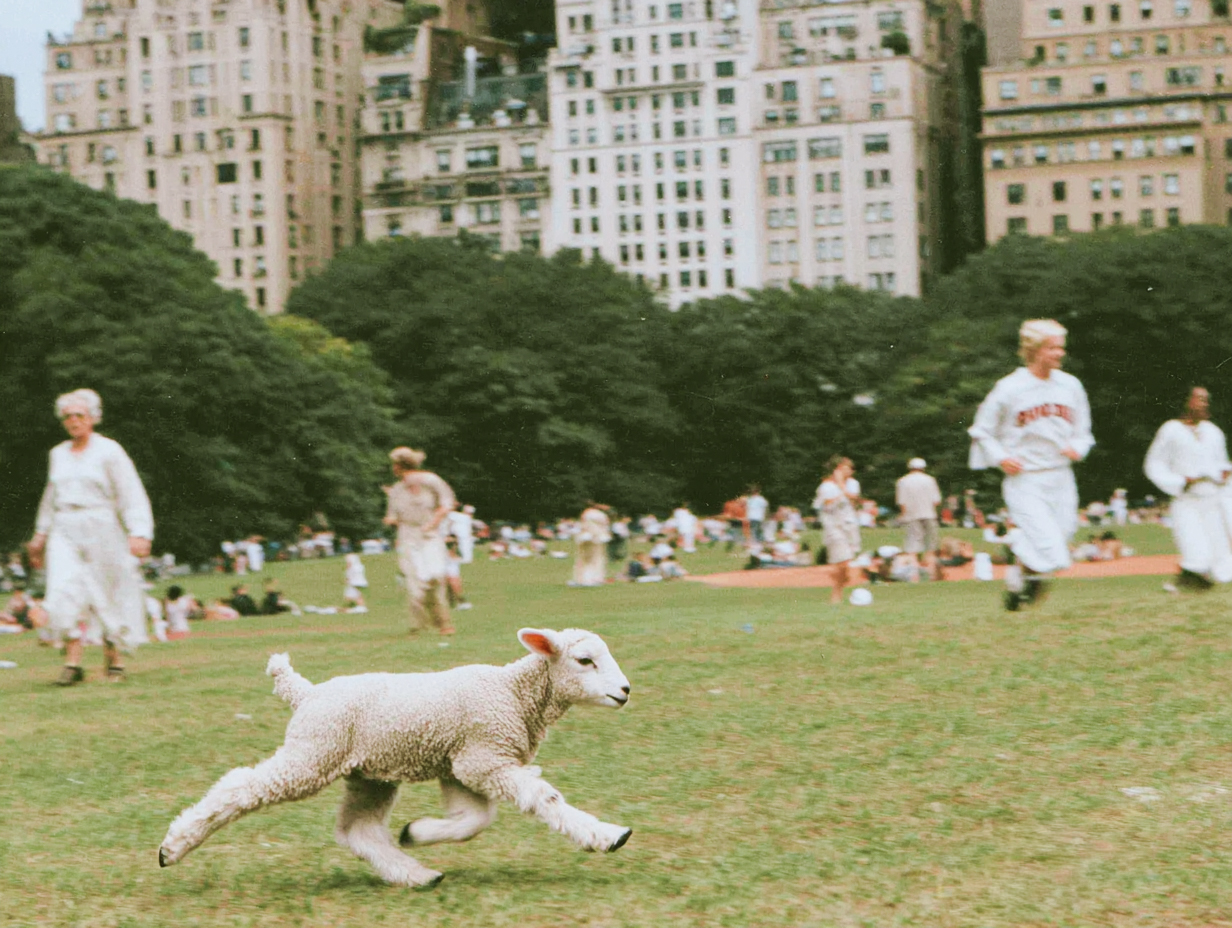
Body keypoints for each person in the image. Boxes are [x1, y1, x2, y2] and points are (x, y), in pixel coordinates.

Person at [28, 389, 154, 685]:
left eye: (79, 415)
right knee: (63, 587)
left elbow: (130, 492)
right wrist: (40, 535)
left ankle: (115, 661)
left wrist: (139, 532)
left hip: (102, 524)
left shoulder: (109, 451)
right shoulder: (57, 454)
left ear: (93, 418)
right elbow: (50, 497)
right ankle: (72, 663)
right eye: (68, 416)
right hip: (64, 526)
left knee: (107, 589)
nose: (73, 421)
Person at [968, 319, 1094, 611]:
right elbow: (981, 431)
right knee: (1053, 553)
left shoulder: (1070, 385)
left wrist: (1077, 448)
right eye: (1053, 348)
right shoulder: (1010, 388)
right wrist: (1000, 457)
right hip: (1026, 479)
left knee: (1061, 538)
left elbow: (1083, 432)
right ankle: (1026, 588)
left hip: (1061, 475)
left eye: (1061, 347)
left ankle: (1016, 588)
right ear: (1035, 350)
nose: (1060, 353)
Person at [1144, 386, 1232, 592]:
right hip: (1186, 499)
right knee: (1193, 545)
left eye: (1207, 400)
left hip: (1213, 498)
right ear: (1186, 402)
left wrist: (1224, 473)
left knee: (1220, 551)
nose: (1205, 403)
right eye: (1200, 399)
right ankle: (1189, 582)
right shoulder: (1171, 430)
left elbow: (1220, 463)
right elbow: (1154, 464)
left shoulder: (1213, 431)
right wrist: (1181, 480)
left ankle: (1195, 584)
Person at [384, 446, 456, 635]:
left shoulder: (431, 481)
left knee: (435, 576)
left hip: (430, 535)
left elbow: (447, 504)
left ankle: (443, 622)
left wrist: (433, 523)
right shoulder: (397, 490)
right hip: (408, 536)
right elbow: (392, 516)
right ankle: (418, 625)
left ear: (400, 466)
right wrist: (392, 520)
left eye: (395, 465)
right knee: (414, 581)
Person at [813, 455, 865, 605]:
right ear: (837, 469)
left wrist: (842, 486)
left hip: (850, 526)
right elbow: (828, 504)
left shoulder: (854, 483)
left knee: (846, 562)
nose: (851, 471)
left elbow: (855, 499)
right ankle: (836, 595)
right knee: (842, 561)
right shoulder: (825, 487)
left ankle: (840, 581)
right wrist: (841, 487)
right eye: (847, 468)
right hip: (833, 527)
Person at [895, 457, 942, 581]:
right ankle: (931, 574)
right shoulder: (930, 480)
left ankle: (914, 575)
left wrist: (903, 516)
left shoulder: (903, 481)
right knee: (930, 546)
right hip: (929, 514)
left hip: (912, 516)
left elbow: (902, 502)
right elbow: (936, 501)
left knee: (912, 547)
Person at [572, 502, 612, 587]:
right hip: (596, 538)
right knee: (595, 559)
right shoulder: (599, 514)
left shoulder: (586, 513)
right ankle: (591, 579)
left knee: (584, 559)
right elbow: (604, 524)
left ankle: (581, 579)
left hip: (587, 537)